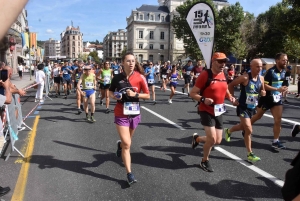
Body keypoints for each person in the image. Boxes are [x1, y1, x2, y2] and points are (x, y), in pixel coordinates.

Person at [190, 52, 235, 172]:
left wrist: (230, 97)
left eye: (224, 61)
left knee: (218, 141)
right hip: (206, 109)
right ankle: (205, 160)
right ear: (213, 62)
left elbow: (224, 88)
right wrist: (203, 99)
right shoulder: (205, 75)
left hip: (219, 110)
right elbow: (192, 93)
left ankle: (198, 139)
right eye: (220, 61)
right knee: (212, 140)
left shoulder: (223, 74)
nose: (223, 64)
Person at [109, 53, 150, 185]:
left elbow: (148, 95)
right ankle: (129, 173)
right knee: (128, 144)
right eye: (128, 61)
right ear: (123, 63)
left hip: (135, 113)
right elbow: (110, 92)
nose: (131, 63)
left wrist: (135, 94)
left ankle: (120, 145)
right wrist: (114, 96)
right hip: (121, 113)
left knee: (127, 141)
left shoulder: (140, 77)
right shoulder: (117, 78)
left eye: (133, 61)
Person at [224, 59, 266, 163]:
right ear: (251, 67)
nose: (259, 68)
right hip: (242, 106)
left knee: (242, 126)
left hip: (252, 108)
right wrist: (233, 98)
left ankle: (228, 131)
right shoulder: (245, 77)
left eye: (261, 66)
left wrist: (263, 93)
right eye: (257, 66)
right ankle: (250, 154)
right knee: (249, 129)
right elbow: (231, 85)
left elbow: (261, 91)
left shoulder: (261, 78)